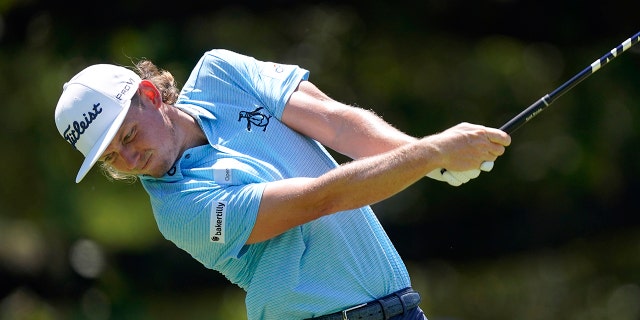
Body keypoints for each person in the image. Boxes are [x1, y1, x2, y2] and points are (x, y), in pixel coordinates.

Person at [54, 49, 511, 320]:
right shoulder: (179, 211)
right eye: (113, 157)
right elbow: (320, 198)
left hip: (403, 310)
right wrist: (431, 153)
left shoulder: (221, 73)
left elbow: (334, 122)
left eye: (129, 136)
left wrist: (430, 157)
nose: (131, 160)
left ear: (150, 96)